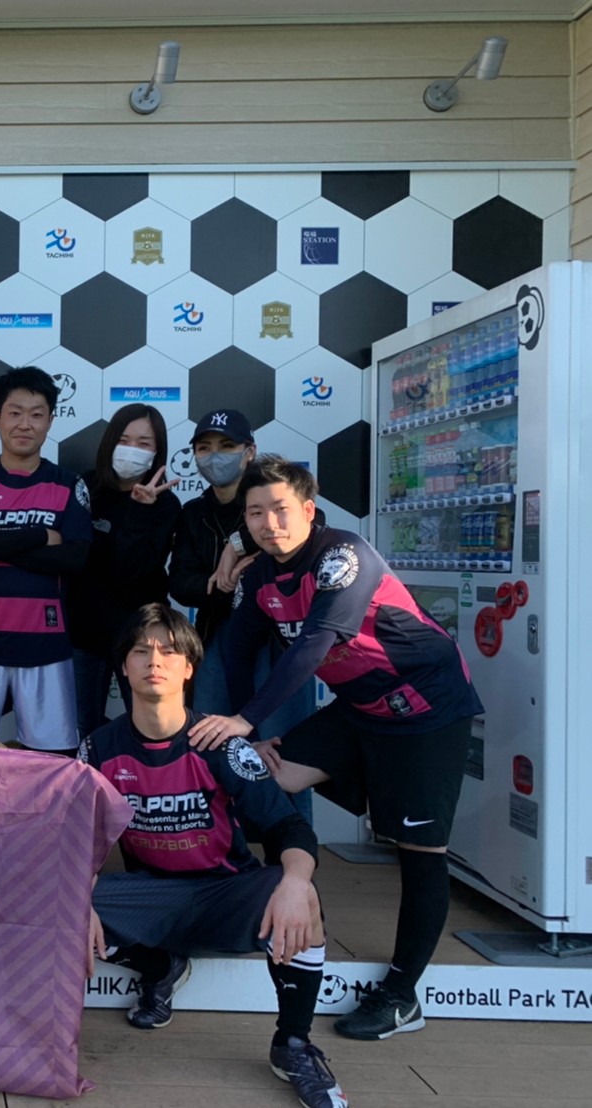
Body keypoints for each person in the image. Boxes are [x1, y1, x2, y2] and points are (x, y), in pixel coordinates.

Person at [189, 456, 484, 1042]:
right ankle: (262, 905)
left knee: (420, 851)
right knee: (258, 773)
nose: (269, 523)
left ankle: (401, 995)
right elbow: (240, 651)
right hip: (359, 709)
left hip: (425, 707)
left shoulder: (343, 555)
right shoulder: (257, 577)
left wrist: (245, 719)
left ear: (308, 510)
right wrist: (248, 730)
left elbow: (316, 643)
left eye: (280, 510)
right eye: (255, 513)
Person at [84, 604, 346, 1108]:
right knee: (59, 899)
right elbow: (78, 840)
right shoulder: (98, 749)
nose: (154, 661)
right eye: (140, 651)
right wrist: (79, 893)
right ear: (123, 667)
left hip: (226, 893)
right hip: (153, 899)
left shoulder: (221, 744)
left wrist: (295, 882)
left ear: (189, 668)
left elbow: (287, 825)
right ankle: (159, 967)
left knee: (302, 891)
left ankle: (293, 1044)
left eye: (168, 651)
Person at [169, 410, 315, 822]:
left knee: (285, 750)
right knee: (214, 745)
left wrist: (233, 545)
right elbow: (180, 582)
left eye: (227, 446)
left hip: (278, 638)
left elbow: (309, 526)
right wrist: (221, 583)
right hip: (218, 637)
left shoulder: (270, 492)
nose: (215, 456)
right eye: (205, 448)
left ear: (249, 451)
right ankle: (220, 844)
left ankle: (294, 847)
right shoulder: (193, 513)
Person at [0, 366, 91, 756]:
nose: (25, 424)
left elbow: (74, 558)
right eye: (15, 413)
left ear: (50, 421)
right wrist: (41, 535)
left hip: (46, 647)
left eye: (36, 414)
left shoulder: (69, 485)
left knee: (50, 761)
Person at [67, 402, 181, 736]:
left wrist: (140, 510)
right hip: (83, 634)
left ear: (157, 452)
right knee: (80, 728)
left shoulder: (166, 504)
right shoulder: (86, 487)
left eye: (144, 443)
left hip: (141, 635)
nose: (132, 449)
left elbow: (131, 570)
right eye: (124, 440)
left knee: (151, 728)